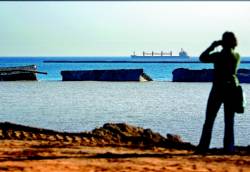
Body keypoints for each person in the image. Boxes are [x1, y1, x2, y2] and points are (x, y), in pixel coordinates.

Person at [196, 31, 240, 154]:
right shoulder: (236, 56)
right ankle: (229, 148)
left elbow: (202, 57)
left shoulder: (218, 56)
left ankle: (203, 147)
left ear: (223, 42)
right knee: (229, 121)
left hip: (218, 89)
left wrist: (212, 46)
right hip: (231, 90)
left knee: (209, 119)